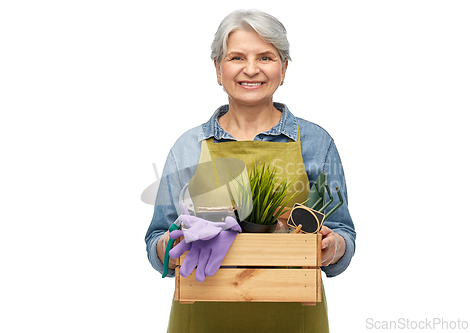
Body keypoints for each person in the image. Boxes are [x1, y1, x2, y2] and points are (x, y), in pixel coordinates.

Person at [145, 9, 356, 332]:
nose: (251, 69)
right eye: (237, 57)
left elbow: (343, 234)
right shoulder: (189, 145)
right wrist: (176, 245)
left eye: (266, 57)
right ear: (217, 68)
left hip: (293, 320)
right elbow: (156, 243)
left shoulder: (316, 142)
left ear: (284, 69)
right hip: (202, 321)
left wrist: (332, 246)